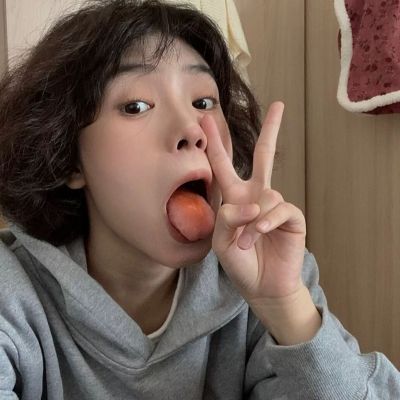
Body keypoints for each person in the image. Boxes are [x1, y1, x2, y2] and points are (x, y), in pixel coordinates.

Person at [0, 0, 398, 398]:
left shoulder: (268, 271)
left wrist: (285, 307)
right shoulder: (11, 290)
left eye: (203, 103)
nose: (192, 129)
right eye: (136, 106)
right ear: (68, 157)